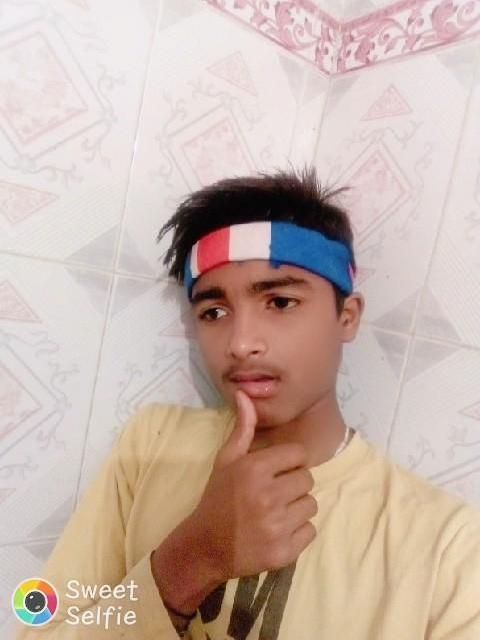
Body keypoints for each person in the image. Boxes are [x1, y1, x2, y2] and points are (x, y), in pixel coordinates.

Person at [14, 167, 480, 640]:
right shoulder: (153, 443)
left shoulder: (447, 546)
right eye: (213, 311)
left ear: (346, 317)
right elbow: (40, 629)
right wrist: (190, 560)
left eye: (280, 302)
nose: (240, 343)